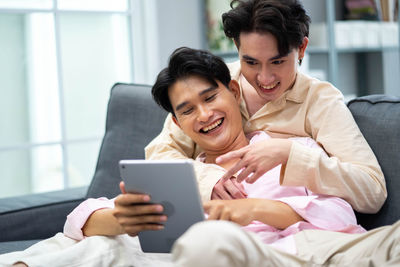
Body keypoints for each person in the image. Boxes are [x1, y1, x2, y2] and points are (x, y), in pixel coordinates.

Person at [145, 0, 387, 214]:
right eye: (250, 62)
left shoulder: (319, 101)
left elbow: (372, 191)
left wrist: (291, 155)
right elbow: (158, 157)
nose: (265, 78)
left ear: (301, 48)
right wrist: (210, 180)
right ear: (237, 48)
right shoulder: (214, 87)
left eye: (277, 61)